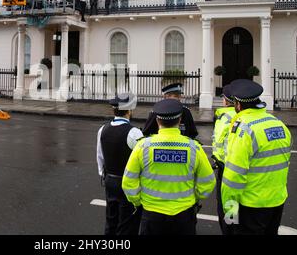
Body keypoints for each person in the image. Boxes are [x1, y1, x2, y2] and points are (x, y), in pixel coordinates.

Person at [122, 99, 215, 235]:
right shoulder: (194, 147)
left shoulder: (143, 147)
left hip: (152, 214)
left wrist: (138, 201)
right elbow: (208, 182)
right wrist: (194, 198)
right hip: (184, 214)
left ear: (157, 120)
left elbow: (128, 182)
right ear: (180, 119)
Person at [222, 79, 292, 235]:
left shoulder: (243, 129)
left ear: (238, 105)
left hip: (251, 206)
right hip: (276, 202)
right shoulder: (279, 124)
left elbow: (233, 178)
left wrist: (230, 213)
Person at [96, 93, 144, 235]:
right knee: (128, 223)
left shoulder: (102, 130)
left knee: (111, 220)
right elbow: (143, 161)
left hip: (110, 180)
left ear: (114, 110)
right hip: (128, 183)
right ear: (129, 111)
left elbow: (100, 156)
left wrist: (105, 174)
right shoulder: (134, 133)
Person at [211, 84, 236, 235]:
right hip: (244, 168)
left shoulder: (224, 117)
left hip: (227, 169)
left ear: (226, 101)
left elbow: (219, 144)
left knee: (227, 205)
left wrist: (218, 160)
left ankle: (230, 230)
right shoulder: (245, 115)